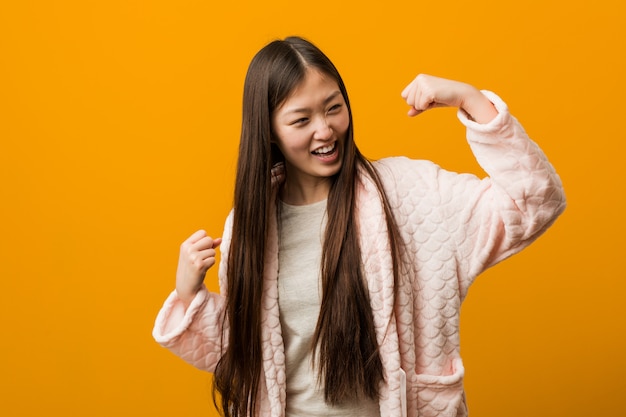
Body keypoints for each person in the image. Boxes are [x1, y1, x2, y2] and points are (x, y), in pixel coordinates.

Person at [152, 36, 566, 417]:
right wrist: (190, 295)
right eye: (301, 120)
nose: (325, 129)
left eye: (333, 107)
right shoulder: (249, 225)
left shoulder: (410, 195)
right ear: (270, 132)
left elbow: (534, 202)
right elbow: (253, 360)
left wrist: (470, 99)